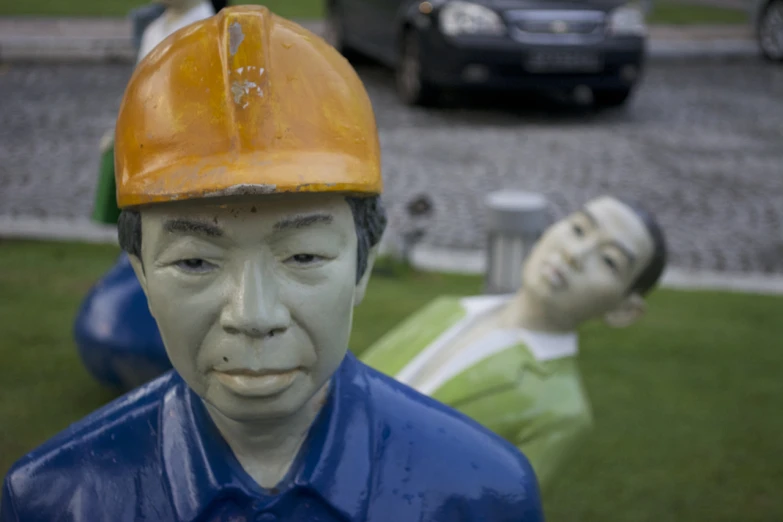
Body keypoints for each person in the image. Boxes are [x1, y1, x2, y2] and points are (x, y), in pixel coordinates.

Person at [1, 8, 543, 521]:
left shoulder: (480, 496)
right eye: (194, 261)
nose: (253, 315)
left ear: (362, 265)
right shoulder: (55, 499)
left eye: (303, 256)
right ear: (140, 272)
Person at [361, 195, 667, 490]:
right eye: (578, 229)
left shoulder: (561, 412)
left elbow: (496, 510)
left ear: (625, 311)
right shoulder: (449, 308)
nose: (575, 254)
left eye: (609, 261)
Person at [77, 0, 219, 390]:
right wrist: (122, 128)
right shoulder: (154, 26)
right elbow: (142, 89)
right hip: (149, 157)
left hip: (183, 162)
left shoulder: (209, 28)